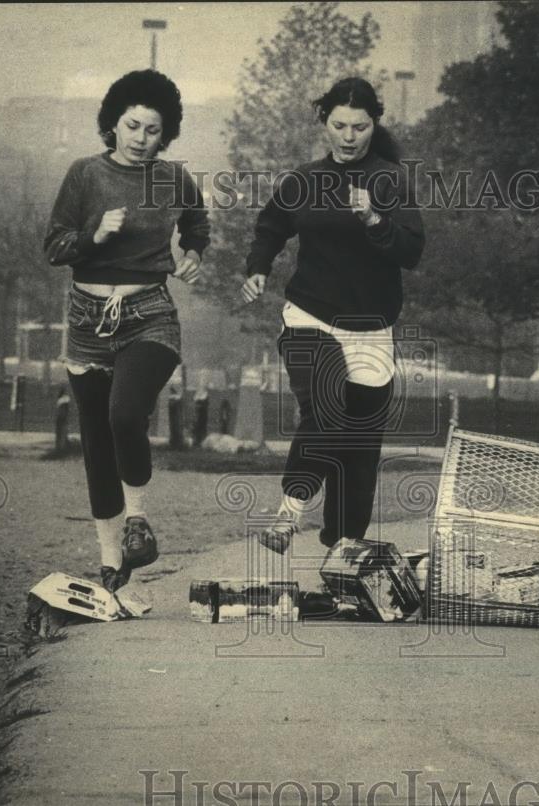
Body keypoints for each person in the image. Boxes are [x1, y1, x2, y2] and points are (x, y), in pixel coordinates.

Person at [241, 77, 425, 554]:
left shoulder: (392, 180)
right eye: (339, 125)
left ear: (374, 124)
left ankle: (343, 551)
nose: (348, 136)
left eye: (359, 127)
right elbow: (270, 226)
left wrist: (373, 220)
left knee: (359, 449)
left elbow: (411, 251)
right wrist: (257, 269)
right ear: (324, 122)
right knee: (325, 406)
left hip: (370, 328)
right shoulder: (303, 179)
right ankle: (288, 515)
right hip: (310, 316)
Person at [44, 70, 209, 592]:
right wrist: (93, 236)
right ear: (112, 124)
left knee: (124, 413)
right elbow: (54, 248)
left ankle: (138, 519)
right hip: (87, 320)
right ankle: (112, 560)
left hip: (150, 314)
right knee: (95, 440)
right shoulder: (84, 174)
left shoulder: (175, 179)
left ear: (167, 134)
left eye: (153, 130)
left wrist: (193, 255)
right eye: (132, 126)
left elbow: (197, 223)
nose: (141, 138)